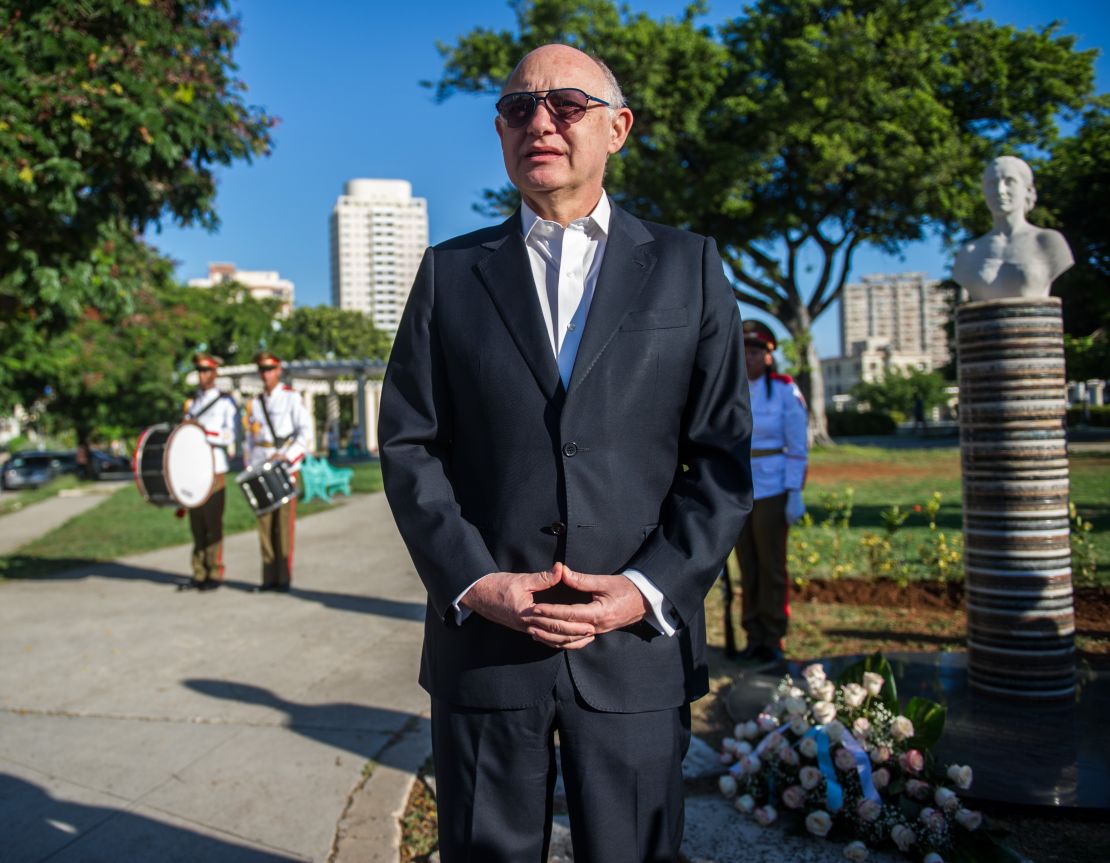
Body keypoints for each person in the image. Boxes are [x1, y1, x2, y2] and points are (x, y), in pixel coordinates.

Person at [379, 44, 752, 863]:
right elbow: (409, 444)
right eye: (517, 109)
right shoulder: (448, 273)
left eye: (567, 105)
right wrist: (476, 582)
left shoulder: (691, 269)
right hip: (486, 649)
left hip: (634, 650)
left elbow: (720, 462)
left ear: (617, 128)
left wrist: (645, 590)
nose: (539, 122)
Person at [731, 320, 808, 664]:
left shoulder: (784, 391)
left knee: (771, 566)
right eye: (744, 351)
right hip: (738, 487)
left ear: (770, 356)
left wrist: (795, 491)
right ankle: (753, 634)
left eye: (756, 351)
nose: (749, 358)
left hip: (774, 487)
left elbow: (797, 446)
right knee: (747, 567)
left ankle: (773, 635)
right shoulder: (731, 389)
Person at [952, 155, 1074, 302]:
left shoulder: (1047, 242)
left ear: (1027, 189)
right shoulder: (969, 252)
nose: (1000, 190)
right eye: (992, 184)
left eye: (1009, 181)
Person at [243, 351, 308, 593]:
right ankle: (268, 577)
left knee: (283, 525)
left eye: (270, 369)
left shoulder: (291, 398)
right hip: (261, 466)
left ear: (278, 370)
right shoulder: (255, 402)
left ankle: (284, 577)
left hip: (283, 467)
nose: (265, 374)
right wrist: (249, 465)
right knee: (264, 525)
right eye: (262, 369)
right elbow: (250, 437)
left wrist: (288, 457)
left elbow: (305, 433)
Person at [179, 352, 238, 592]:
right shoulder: (193, 403)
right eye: (200, 371)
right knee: (197, 523)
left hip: (215, 468)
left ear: (215, 373)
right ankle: (199, 571)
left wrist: (203, 432)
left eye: (206, 370)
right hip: (194, 469)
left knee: (213, 523)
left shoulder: (225, 402)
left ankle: (214, 571)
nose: (202, 375)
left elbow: (229, 435)